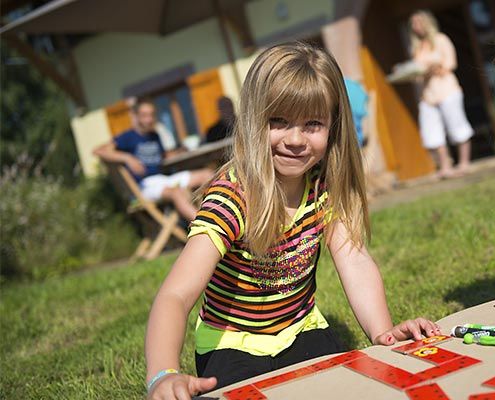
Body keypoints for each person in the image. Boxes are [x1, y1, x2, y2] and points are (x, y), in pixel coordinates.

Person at [144, 42, 441, 399]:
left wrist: (384, 333)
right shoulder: (232, 198)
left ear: (334, 126)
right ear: (254, 119)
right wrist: (162, 374)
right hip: (231, 344)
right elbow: (176, 294)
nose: (295, 140)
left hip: (301, 330)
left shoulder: (324, 186)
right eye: (278, 122)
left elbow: (355, 260)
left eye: (312, 124)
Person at [93, 99, 213, 221]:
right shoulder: (128, 137)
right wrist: (127, 158)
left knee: (207, 174)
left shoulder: (154, 135)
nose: (149, 119)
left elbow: (162, 156)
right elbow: (99, 151)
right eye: (145, 115)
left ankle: (221, 215)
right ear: (137, 117)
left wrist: (180, 151)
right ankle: (205, 227)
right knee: (177, 193)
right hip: (145, 187)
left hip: (164, 180)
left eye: (152, 115)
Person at [409, 10, 475, 179]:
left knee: (457, 125)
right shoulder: (417, 47)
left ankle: (464, 163)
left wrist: (433, 67)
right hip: (428, 95)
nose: (415, 27)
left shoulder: (441, 40)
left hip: (447, 90)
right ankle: (445, 166)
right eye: (413, 24)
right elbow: (416, 74)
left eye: (418, 22)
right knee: (432, 132)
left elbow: (451, 64)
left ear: (427, 23)